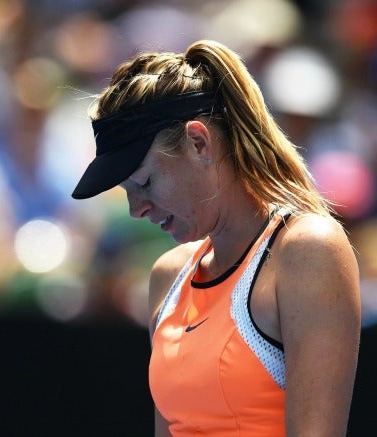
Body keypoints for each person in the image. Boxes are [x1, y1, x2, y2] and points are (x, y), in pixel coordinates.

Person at [72, 39, 360, 437]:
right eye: (127, 192)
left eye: (145, 182)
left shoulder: (308, 251)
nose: (136, 209)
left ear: (198, 143)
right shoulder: (167, 276)